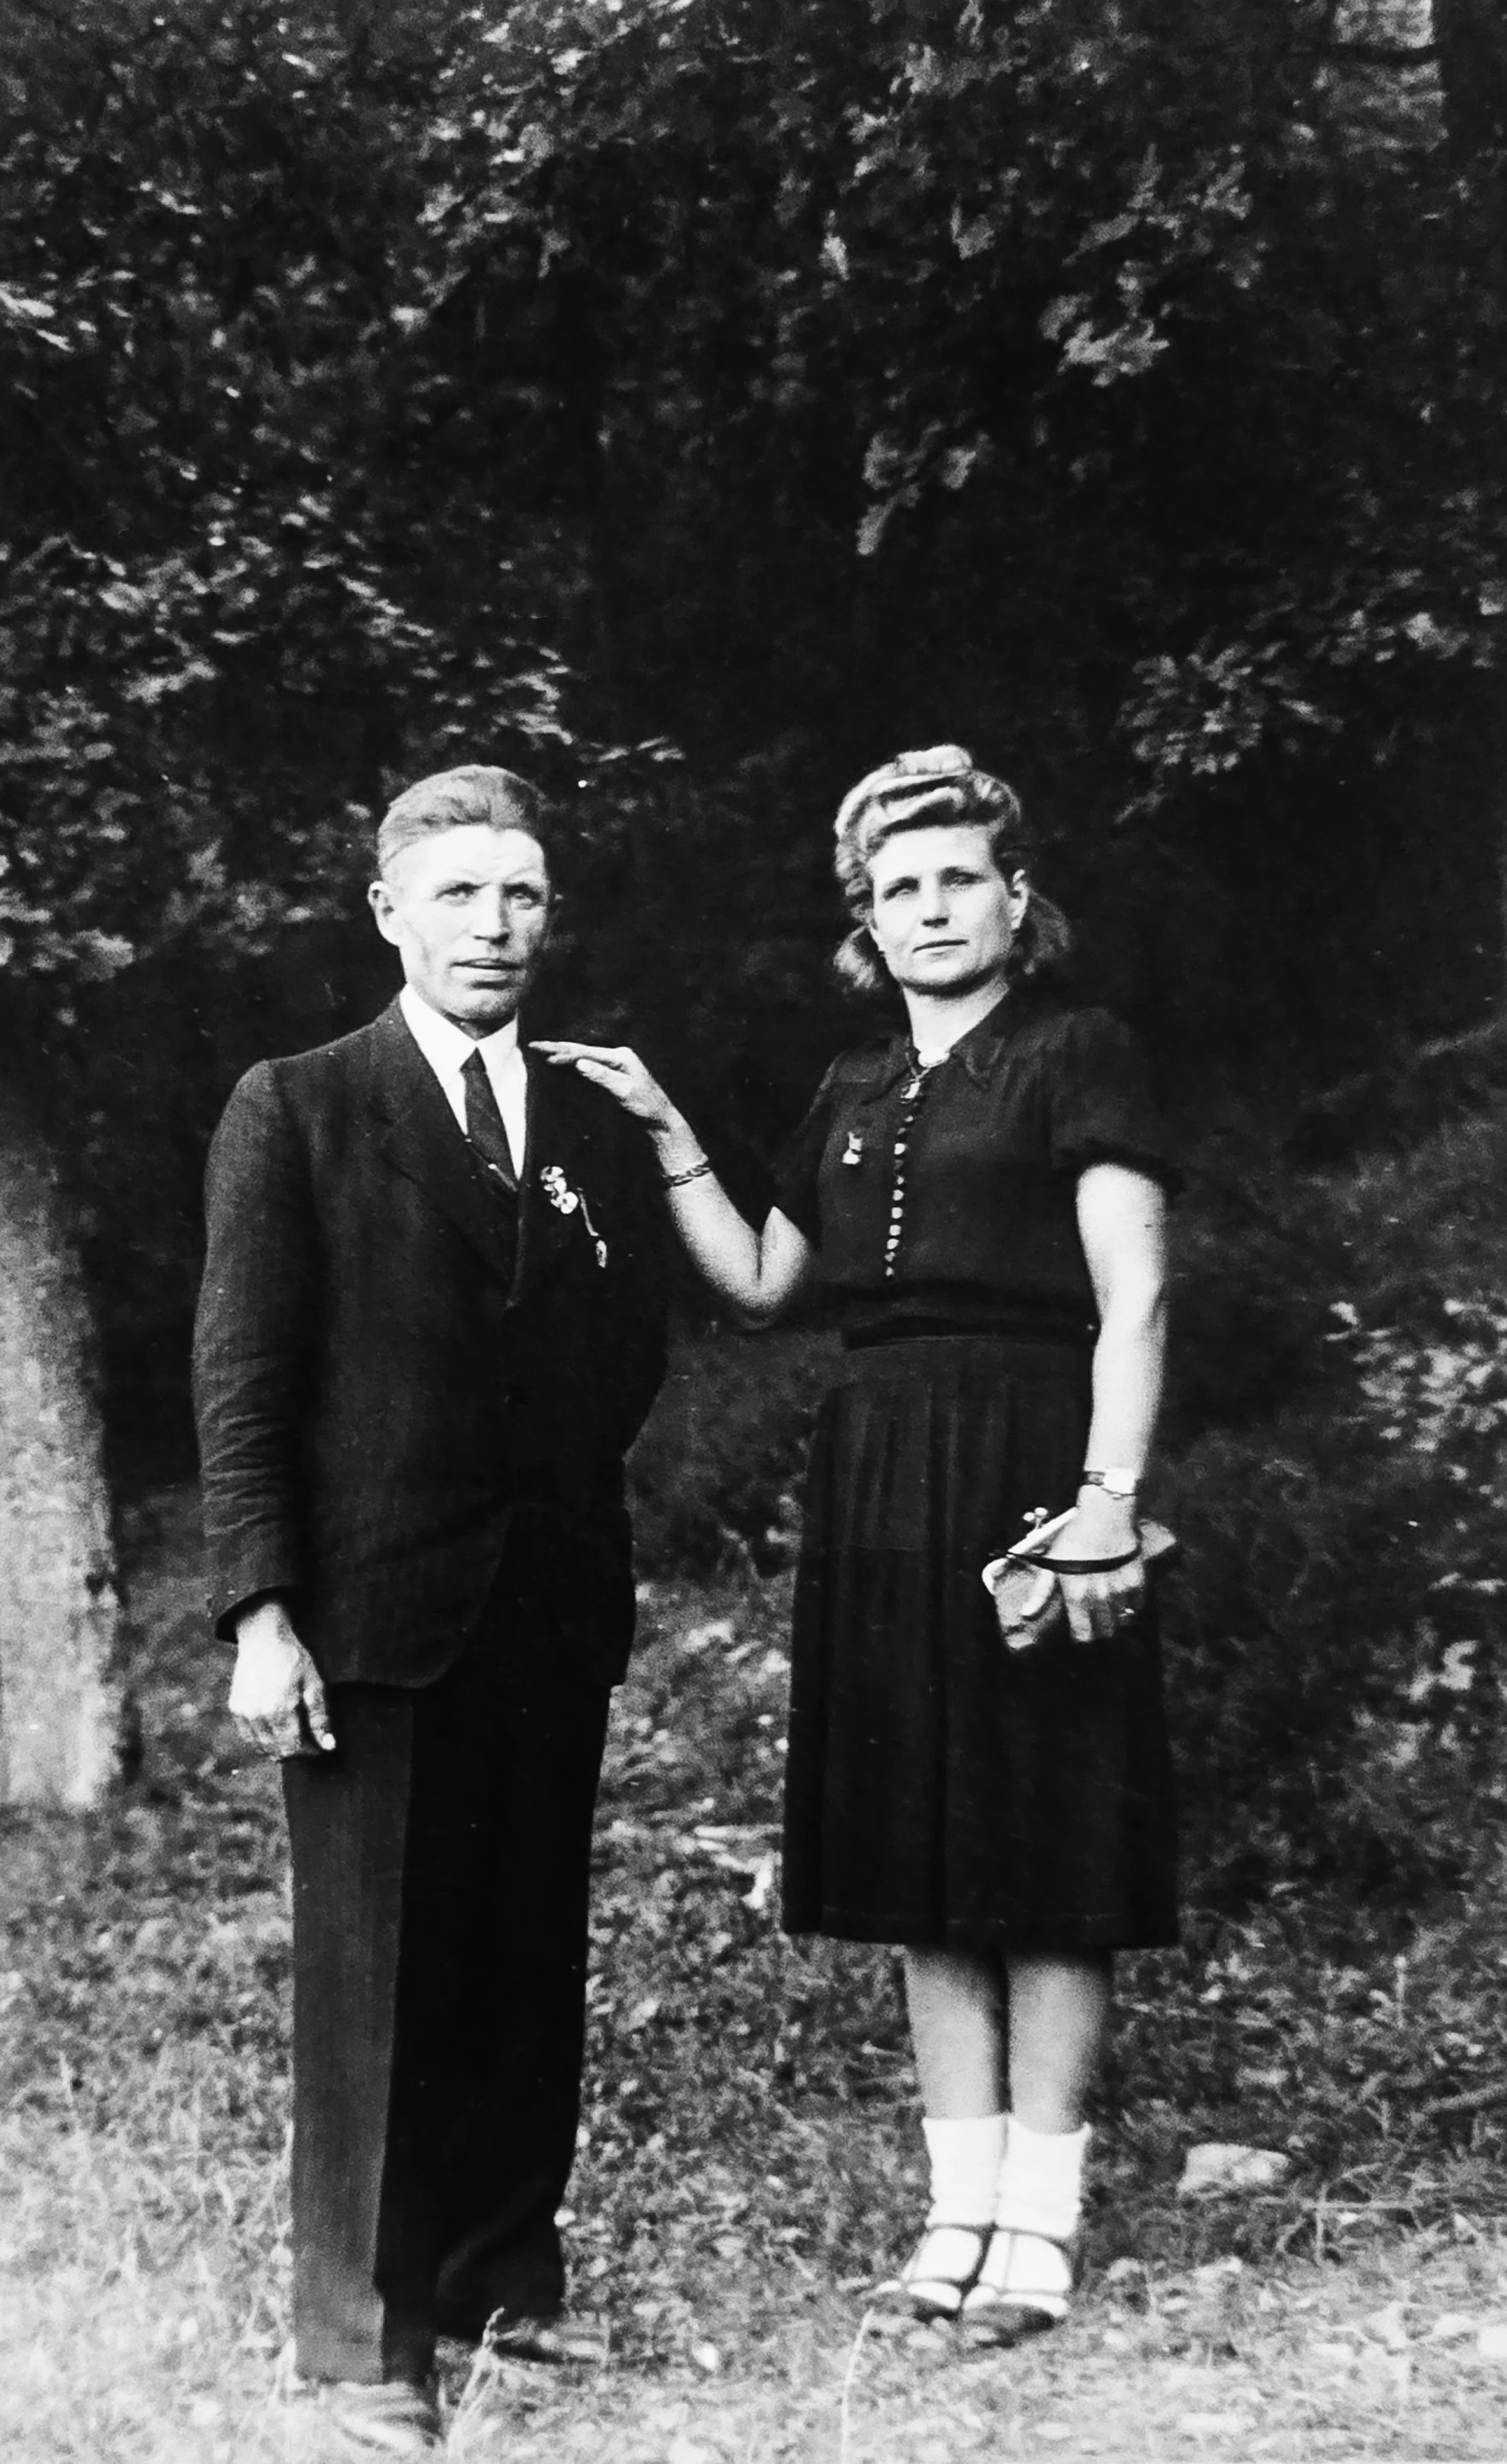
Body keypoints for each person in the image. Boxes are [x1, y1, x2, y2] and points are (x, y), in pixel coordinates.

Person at [538, 745, 1177, 2347]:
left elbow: (1137, 1296)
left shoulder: (1077, 1052)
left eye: (960, 878)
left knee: (1046, 1852)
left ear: (1016, 901)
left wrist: (1106, 1498)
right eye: (900, 889)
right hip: (879, 1473)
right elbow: (767, 1286)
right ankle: (955, 2214)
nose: (931, 907)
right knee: (918, 1857)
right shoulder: (851, 1085)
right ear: (867, 924)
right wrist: (662, 1125)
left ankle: (1040, 2223)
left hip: (1031, 1460)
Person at [192, 765, 667, 2458]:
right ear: (388, 912)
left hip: (548, 1609)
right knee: (377, 1982)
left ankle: (498, 2283)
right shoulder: (300, 1105)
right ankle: (362, 2346)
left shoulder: (588, 1117)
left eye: (521, 894)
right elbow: (243, 1378)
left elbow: (626, 1349)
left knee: (525, 1958)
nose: (493, 925)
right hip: (372, 1619)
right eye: (459, 894)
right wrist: (263, 1611)